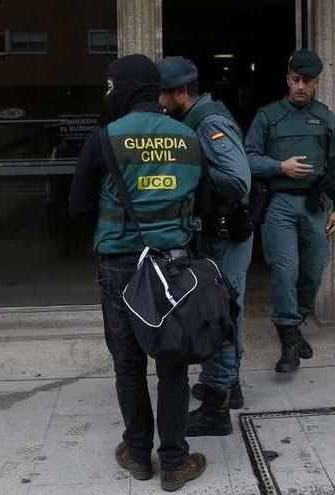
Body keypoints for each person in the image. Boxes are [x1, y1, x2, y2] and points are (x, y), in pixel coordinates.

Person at [68, 54, 206, 492]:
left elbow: (78, 206)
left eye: (111, 86)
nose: (108, 93)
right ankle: (175, 462)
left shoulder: (104, 138)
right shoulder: (189, 137)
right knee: (172, 364)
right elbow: (203, 208)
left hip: (120, 266)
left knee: (128, 365)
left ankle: (137, 453)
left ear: (127, 88)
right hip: (172, 266)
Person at [157, 56, 252, 437]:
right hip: (219, 233)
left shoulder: (209, 122)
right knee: (225, 309)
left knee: (218, 314)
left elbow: (238, 181)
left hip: (225, 234)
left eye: (163, 94)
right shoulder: (195, 118)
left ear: (182, 92)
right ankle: (231, 385)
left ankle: (216, 406)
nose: (160, 101)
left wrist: (188, 169)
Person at [244, 49, 335, 373]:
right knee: (285, 272)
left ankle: (297, 320)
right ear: (287, 79)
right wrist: (279, 166)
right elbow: (247, 158)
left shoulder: (325, 117)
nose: (300, 86)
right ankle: (288, 338)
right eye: (295, 80)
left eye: (307, 81)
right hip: (279, 204)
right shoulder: (268, 115)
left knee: (313, 271)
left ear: (317, 82)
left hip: (315, 205)